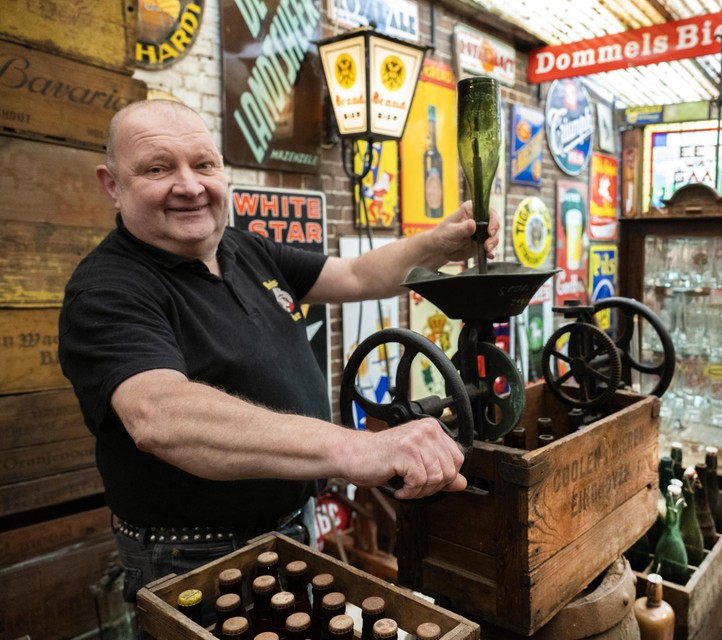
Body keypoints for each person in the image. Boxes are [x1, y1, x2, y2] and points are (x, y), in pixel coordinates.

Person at [58, 99, 499, 603]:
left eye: (204, 164)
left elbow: (354, 275)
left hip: (291, 524)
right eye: (158, 168)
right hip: (196, 558)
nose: (189, 185)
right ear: (113, 185)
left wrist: (439, 244)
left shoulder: (242, 249)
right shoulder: (108, 288)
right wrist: (357, 448)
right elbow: (159, 415)